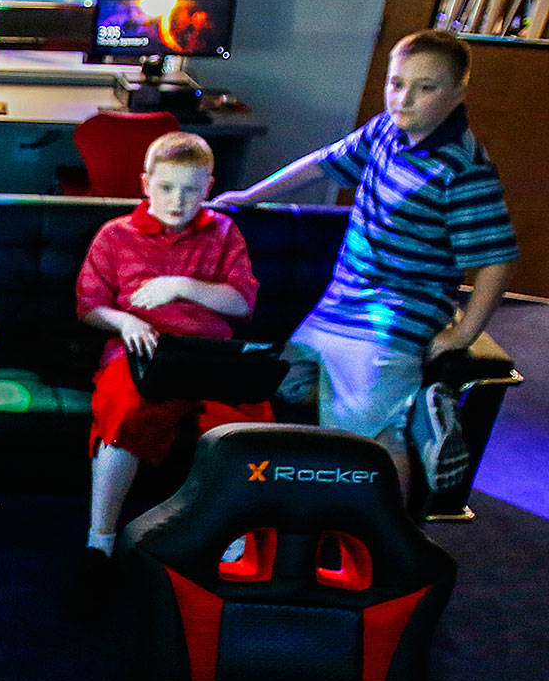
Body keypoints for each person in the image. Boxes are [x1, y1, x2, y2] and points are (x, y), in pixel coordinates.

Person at [209, 29, 517, 491]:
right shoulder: (385, 129)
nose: (404, 99)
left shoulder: (463, 169)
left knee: (369, 439)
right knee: (284, 383)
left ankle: (383, 540)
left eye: (425, 87)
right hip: (343, 300)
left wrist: (464, 333)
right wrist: (251, 195)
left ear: (457, 94)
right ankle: (412, 408)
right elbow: (322, 164)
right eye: (396, 83)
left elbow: (497, 259)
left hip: (397, 315)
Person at [67, 131, 263, 618]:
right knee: (122, 410)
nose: (179, 201)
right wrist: (125, 319)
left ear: (209, 187)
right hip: (142, 352)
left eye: (192, 190)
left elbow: (242, 302)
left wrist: (181, 285)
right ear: (146, 184)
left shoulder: (223, 232)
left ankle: (232, 549)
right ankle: (100, 544)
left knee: (247, 424)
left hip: (210, 355)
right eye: (168, 188)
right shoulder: (116, 235)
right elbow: (89, 305)